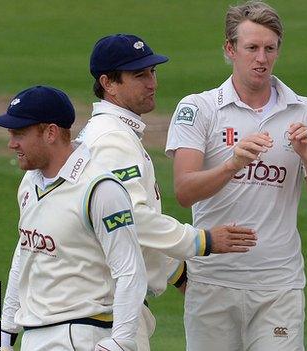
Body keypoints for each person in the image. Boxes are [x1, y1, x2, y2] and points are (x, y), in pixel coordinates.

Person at [165, 1, 307, 350]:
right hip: (213, 282)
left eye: (270, 49)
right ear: (230, 50)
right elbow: (184, 191)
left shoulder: (304, 110)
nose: (262, 58)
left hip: (279, 286)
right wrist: (231, 165)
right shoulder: (199, 107)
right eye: (252, 48)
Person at [76, 33, 257, 350]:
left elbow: (128, 234)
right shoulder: (111, 139)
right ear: (108, 82)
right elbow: (130, 219)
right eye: (139, 75)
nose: (152, 83)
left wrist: (177, 272)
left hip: (109, 311)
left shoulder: (114, 132)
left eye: (152, 72)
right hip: (109, 316)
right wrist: (202, 240)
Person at [0, 86, 147, 351]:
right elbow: (25, 255)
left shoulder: (100, 188)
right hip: (34, 334)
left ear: (50, 132)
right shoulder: (30, 182)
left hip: (80, 334)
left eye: (19, 133)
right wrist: (4, 334)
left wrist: (121, 342)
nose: (11, 143)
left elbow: (130, 269)